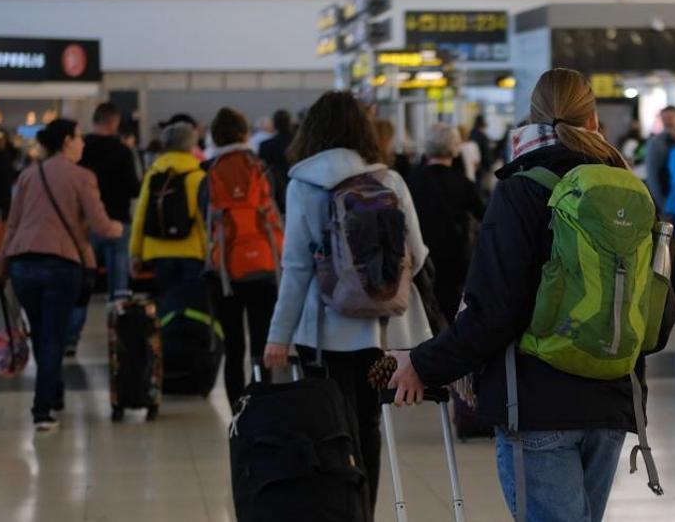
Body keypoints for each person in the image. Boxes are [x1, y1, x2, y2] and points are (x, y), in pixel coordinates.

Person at [385, 69, 675, 522]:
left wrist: (423, 364)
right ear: (594, 119)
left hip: (536, 403)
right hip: (612, 404)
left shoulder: (521, 189)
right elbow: (660, 319)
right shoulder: (632, 193)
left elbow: (493, 312)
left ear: (531, 118)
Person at [262, 90, 430, 515]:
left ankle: (336, 509)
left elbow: (297, 267)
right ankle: (364, 511)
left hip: (322, 338)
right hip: (382, 336)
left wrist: (278, 336)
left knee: (328, 427)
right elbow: (419, 254)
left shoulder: (304, 183)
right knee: (369, 422)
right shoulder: (388, 180)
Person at [0, 119, 123, 431]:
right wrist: (120, 229)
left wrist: (1, 267)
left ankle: (53, 393)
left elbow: (12, 225)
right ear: (67, 140)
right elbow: (101, 225)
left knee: (40, 332)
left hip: (23, 263)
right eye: (79, 138)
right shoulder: (81, 176)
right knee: (54, 336)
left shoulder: (27, 175)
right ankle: (42, 411)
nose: (83, 144)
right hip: (60, 264)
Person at [203, 107, 282, 409]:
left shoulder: (208, 172)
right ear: (244, 133)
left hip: (224, 271)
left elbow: (204, 222)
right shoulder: (262, 167)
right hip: (264, 266)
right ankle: (263, 408)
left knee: (233, 346)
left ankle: (238, 411)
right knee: (262, 346)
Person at [67, 103, 141, 355]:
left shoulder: (82, 149)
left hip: (86, 224)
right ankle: (120, 339)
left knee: (82, 283)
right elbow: (134, 188)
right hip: (118, 222)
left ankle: (71, 338)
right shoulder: (123, 151)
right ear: (114, 121)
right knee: (118, 285)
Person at [408, 124, 486, 320]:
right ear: (455, 147)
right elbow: (485, 216)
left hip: (418, 258)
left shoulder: (411, 181)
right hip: (454, 258)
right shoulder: (463, 184)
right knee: (450, 311)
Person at [129, 123, 208, 307]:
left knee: (166, 305)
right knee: (192, 306)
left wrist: (135, 252)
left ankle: (168, 335)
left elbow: (140, 215)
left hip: (158, 250)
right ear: (191, 145)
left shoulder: (154, 173)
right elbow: (203, 219)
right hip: (193, 251)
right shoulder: (198, 175)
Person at [644, 105, 675, 207]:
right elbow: (652, 175)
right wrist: (662, 204)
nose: (667, 122)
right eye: (664, 118)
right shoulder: (656, 142)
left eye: (670, 118)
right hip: (667, 196)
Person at [258, 109, 294, 211]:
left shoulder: (265, 145)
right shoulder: (300, 143)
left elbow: (262, 170)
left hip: (275, 191)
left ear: (274, 124)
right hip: (300, 189)